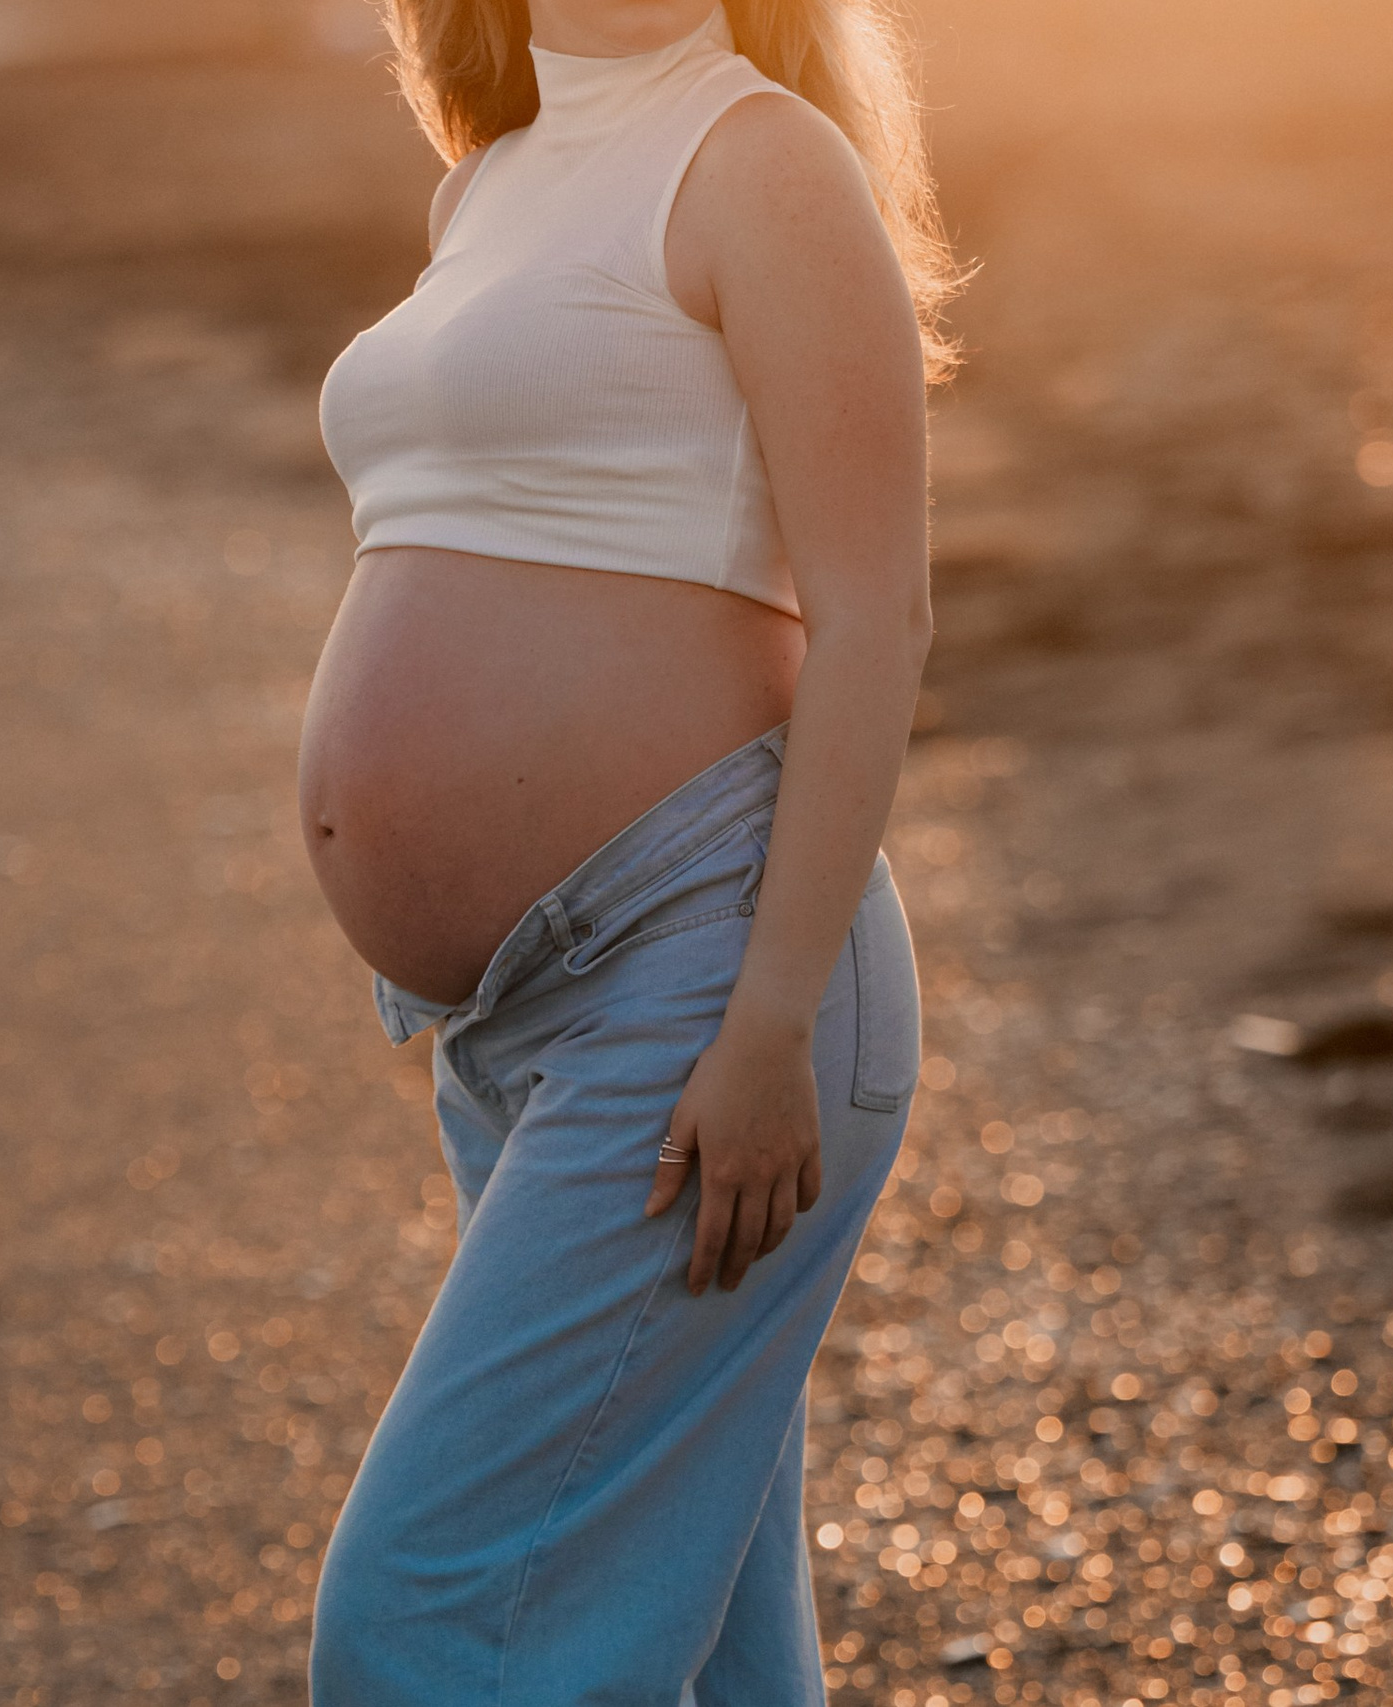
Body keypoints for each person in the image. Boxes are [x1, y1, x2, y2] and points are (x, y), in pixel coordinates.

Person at [300, 0, 956, 1697]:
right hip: (522, 1020)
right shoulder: (490, 185)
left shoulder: (763, 162)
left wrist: (766, 1019)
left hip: (706, 969)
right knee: (727, 1648)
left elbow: (877, 615)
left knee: (424, 1619)